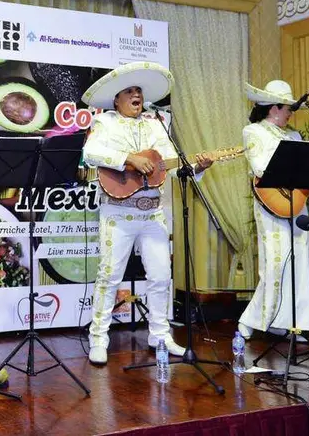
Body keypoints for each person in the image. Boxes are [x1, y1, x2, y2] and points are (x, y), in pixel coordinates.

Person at [80, 62, 213, 365]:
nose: (136, 95)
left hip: (152, 212)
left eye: (139, 90)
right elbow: (90, 154)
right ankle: (98, 337)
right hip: (118, 213)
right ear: (116, 100)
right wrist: (128, 158)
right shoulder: (106, 123)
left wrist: (198, 167)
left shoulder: (155, 124)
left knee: (161, 276)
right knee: (109, 276)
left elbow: (170, 161)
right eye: (129, 91)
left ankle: (160, 335)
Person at [237, 80, 309, 341]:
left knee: (298, 264)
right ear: (273, 108)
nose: (291, 113)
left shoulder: (295, 136)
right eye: (287, 108)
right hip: (271, 204)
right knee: (275, 265)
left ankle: (291, 325)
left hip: (297, 202)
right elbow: (260, 166)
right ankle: (251, 320)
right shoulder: (253, 131)